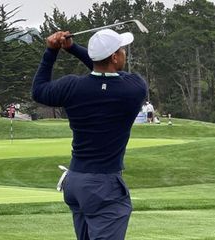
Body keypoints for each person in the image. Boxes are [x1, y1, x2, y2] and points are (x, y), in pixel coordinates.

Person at [32, 29, 147, 240]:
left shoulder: (72, 86)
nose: (124, 53)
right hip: (104, 186)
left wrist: (51, 51)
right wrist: (74, 49)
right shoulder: (134, 88)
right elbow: (110, 77)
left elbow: (38, 90)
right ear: (114, 57)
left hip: (75, 182)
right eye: (121, 50)